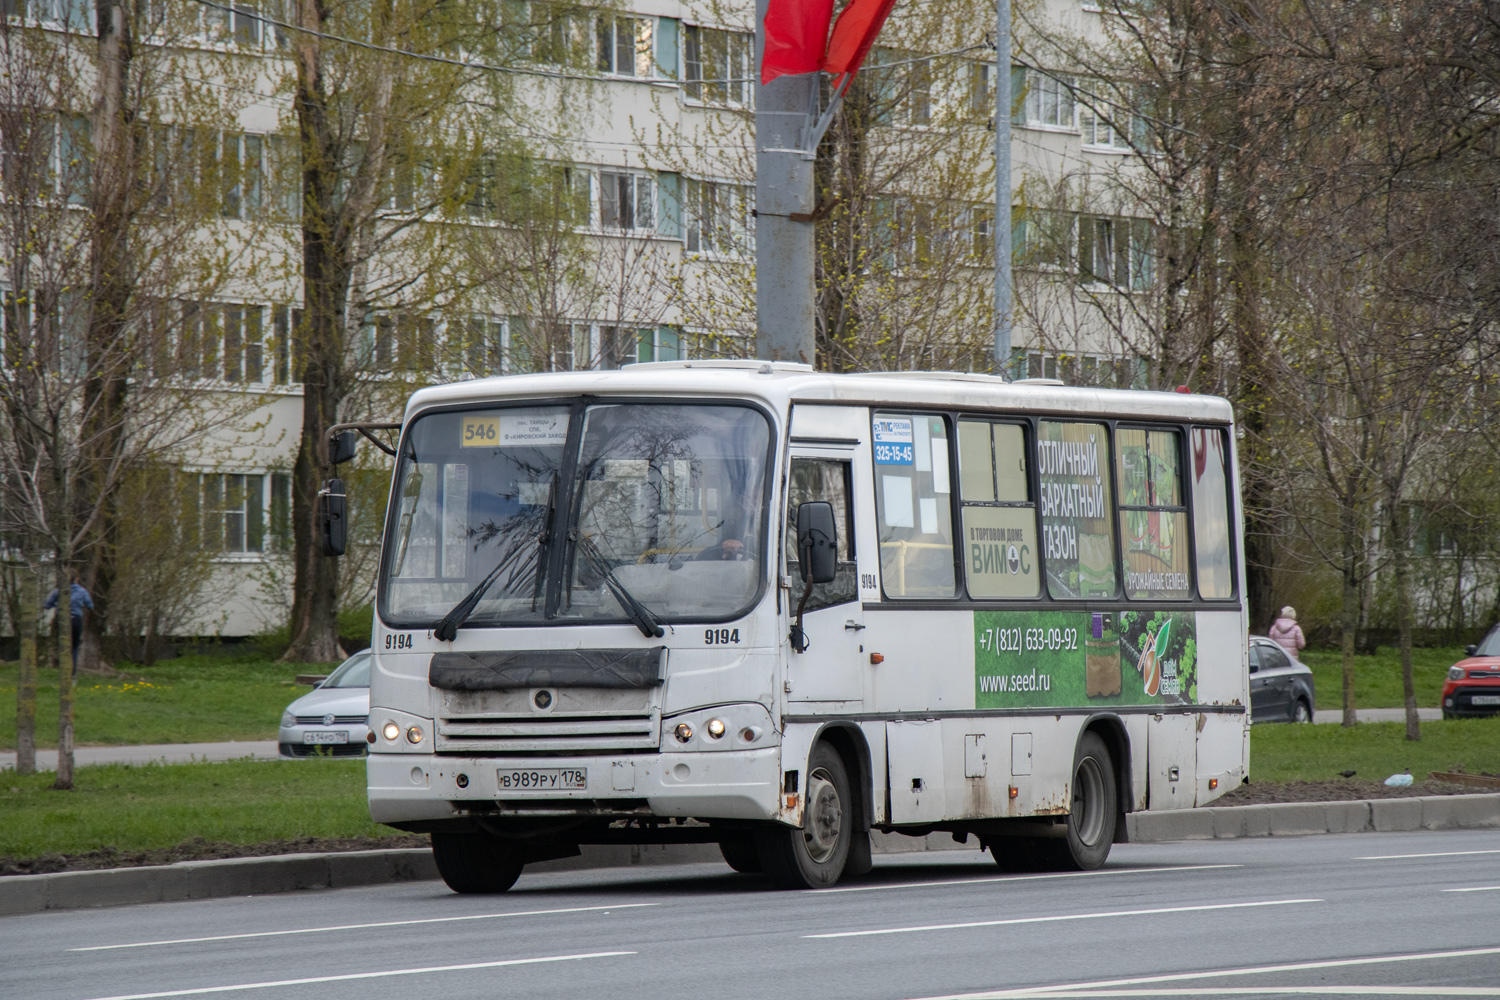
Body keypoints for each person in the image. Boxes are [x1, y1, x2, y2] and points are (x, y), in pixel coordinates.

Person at [44, 575, 95, 670]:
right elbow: (90, 605)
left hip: (61, 619)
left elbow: (47, 605)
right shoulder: (82, 591)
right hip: (75, 619)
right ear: (77, 579)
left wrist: (56, 604)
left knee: (63, 644)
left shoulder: (58, 591)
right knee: (74, 646)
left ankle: (62, 669)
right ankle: (72, 672)